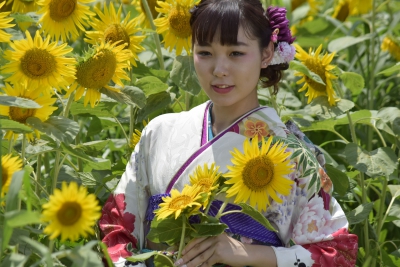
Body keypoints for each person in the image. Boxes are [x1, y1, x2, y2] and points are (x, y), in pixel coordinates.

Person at [99, 0, 358, 266]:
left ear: (267, 53)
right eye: (205, 53)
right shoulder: (159, 132)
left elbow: (336, 253)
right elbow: (115, 228)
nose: (219, 70)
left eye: (235, 53)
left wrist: (249, 254)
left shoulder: (292, 154)